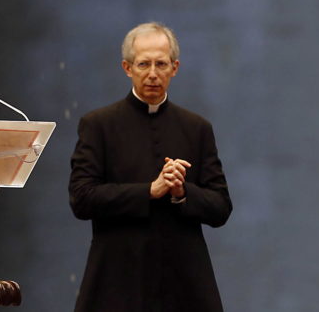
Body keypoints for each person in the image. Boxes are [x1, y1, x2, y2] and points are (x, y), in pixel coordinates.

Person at [68, 22, 232, 312]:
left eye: (161, 64)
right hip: (117, 278)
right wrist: (149, 191)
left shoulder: (197, 128)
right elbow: (81, 199)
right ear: (127, 68)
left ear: (175, 68)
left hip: (185, 281)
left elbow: (221, 208)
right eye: (144, 64)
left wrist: (182, 192)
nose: (153, 74)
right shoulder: (99, 125)